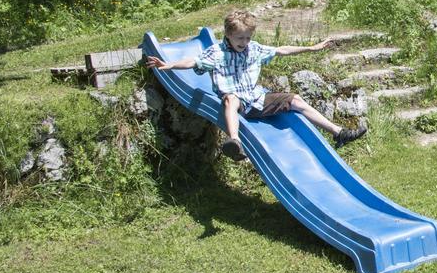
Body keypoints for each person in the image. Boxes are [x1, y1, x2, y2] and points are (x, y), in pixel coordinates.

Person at [145, 9, 367, 160]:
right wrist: (169, 65)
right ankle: (234, 141)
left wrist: (312, 48)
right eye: (240, 38)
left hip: (258, 99)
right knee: (230, 98)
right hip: (238, 102)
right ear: (229, 35)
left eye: (248, 37)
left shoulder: (254, 49)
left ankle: (338, 133)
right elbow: (193, 61)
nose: (245, 43)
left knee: (295, 99)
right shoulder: (217, 52)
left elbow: (282, 50)